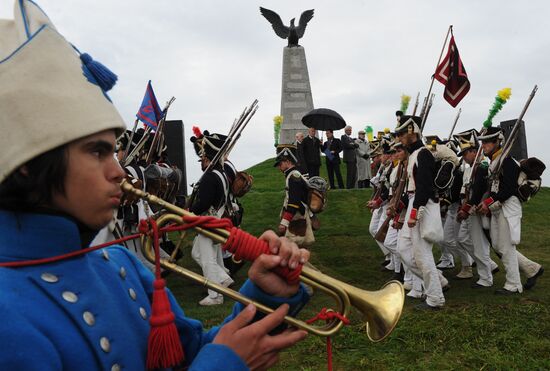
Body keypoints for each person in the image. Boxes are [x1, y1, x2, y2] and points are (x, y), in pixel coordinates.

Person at [0, 2, 310, 369]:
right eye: (98, 152)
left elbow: (187, 355)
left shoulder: (121, 264)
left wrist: (264, 296)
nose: (118, 171)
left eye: (113, 151)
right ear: (27, 165)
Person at [477, 126, 544, 294]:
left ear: (497, 142)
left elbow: (507, 189)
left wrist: (488, 203)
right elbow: (495, 189)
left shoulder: (506, 161)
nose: (483, 145)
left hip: (508, 206)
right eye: (483, 142)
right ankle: (532, 269)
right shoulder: (495, 161)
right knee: (499, 245)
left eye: (487, 142)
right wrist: (488, 203)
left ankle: (514, 285)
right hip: (500, 206)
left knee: (506, 247)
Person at [395, 116, 448, 310]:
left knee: (422, 254)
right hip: (414, 202)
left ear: (412, 132)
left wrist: (415, 210)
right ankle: (438, 280)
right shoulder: (415, 154)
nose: (399, 138)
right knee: (403, 249)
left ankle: (435, 298)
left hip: (421, 205)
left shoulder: (423, 154)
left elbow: (424, 186)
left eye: (402, 134)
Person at [189, 131, 237, 305]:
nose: (201, 161)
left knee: (207, 258)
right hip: (217, 220)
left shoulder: (210, 176)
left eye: (202, 157)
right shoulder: (221, 173)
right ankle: (223, 278)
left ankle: (215, 295)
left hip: (208, 221)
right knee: (201, 254)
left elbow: (203, 203)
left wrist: (190, 210)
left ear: (207, 157)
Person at [455, 129, 499, 288]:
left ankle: (486, 278)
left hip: (477, 211)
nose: (464, 157)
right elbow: (465, 191)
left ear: (474, 151)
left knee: (480, 245)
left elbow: (478, 190)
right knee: (462, 238)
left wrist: (466, 208)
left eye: (466, 153)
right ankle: (489, 266)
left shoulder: (482, 166)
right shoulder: (468, 169)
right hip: (469, 210)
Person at [274, 145, 315, 247]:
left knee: (292, 249)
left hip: (297, 217)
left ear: (288, 162)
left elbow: (293, 202)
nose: (279, 167)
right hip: (297, 216)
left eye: (280, 163)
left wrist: (284, 222)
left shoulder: (293, 176)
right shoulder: (293, 174)